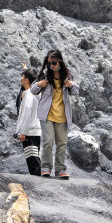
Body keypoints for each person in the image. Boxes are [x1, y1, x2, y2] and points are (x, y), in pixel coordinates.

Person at [31, 50, 79, 179]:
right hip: (47, 115)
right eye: (48, 63)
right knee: (48, 141)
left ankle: (60, 170)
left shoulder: (68, 75)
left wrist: (71, 84)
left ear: (60, 61)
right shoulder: (45, 75)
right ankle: (46, 167)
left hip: (63, 116)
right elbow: (33, 90)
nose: (51, 66)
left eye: (53, 63)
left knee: (62, 143)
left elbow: (75, 92)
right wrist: (39, 84)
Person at [16, 68, 42, 176]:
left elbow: (26, 115)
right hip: (34, 132)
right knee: (34, 160)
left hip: (29, 133)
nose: (21, 79)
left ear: (27, 80)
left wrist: (23, 132)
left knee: (33, 163)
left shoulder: (29, 96)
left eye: (23, 76)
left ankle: (38, 188)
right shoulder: (34, 94)